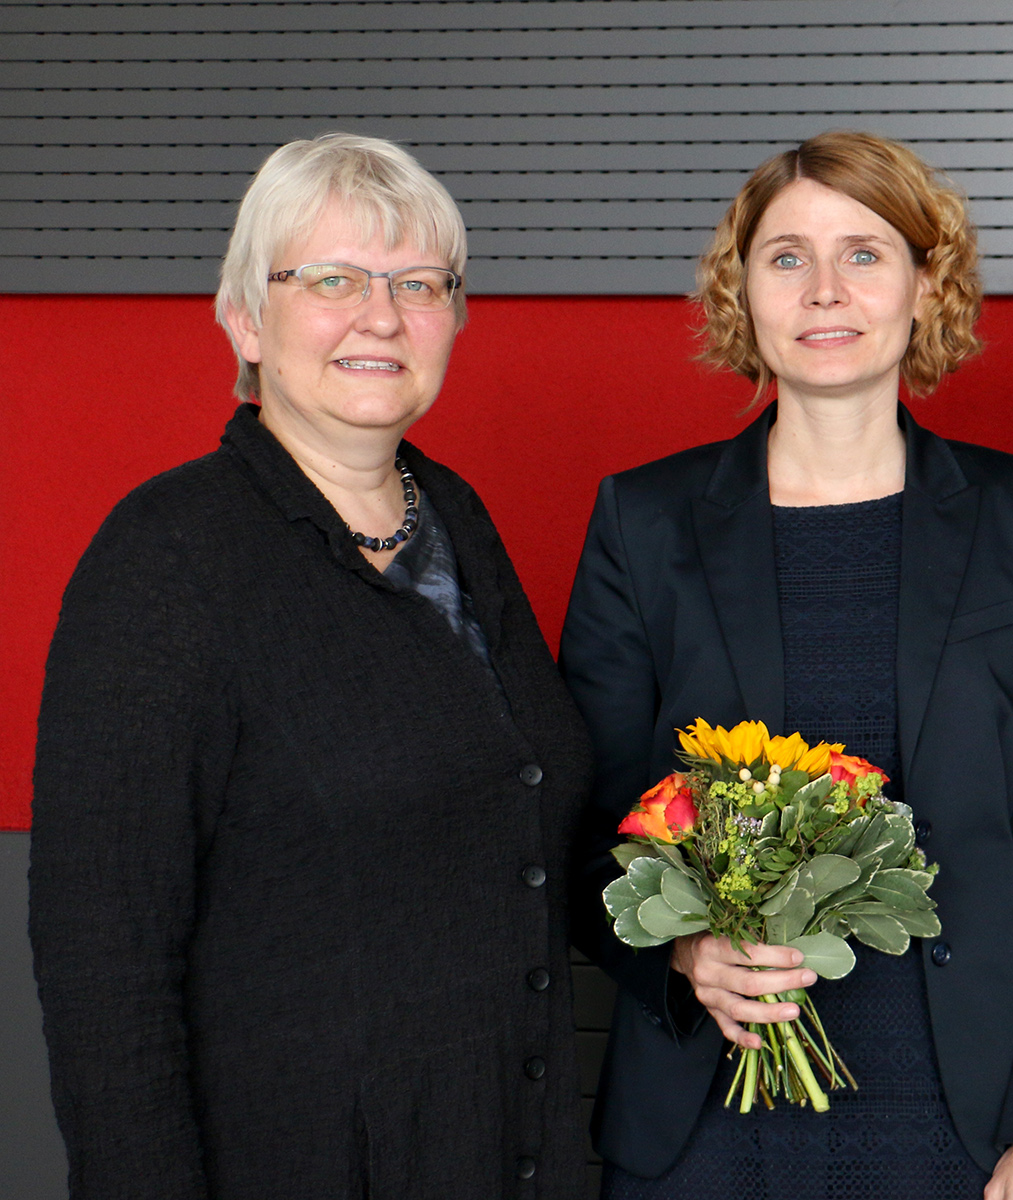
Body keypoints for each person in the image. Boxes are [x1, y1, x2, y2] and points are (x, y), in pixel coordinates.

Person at [29, 133, 595, 1198]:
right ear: (247, 317)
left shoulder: (455, 517)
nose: (381, 316)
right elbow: (106, 969)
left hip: (503, 1154)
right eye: (333, 279)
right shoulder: (168, 555)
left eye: (418, 284)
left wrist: (701, 931)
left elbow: (528, 815)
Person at [559, 130, 1013, 1200]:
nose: (824, 290)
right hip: (702, 1118)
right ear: (743, 291)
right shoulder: (646, 521)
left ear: (924, 284)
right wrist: (676, 958)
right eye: (786, 257)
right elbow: (585, 824)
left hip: (962, 1125)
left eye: (863, 253)